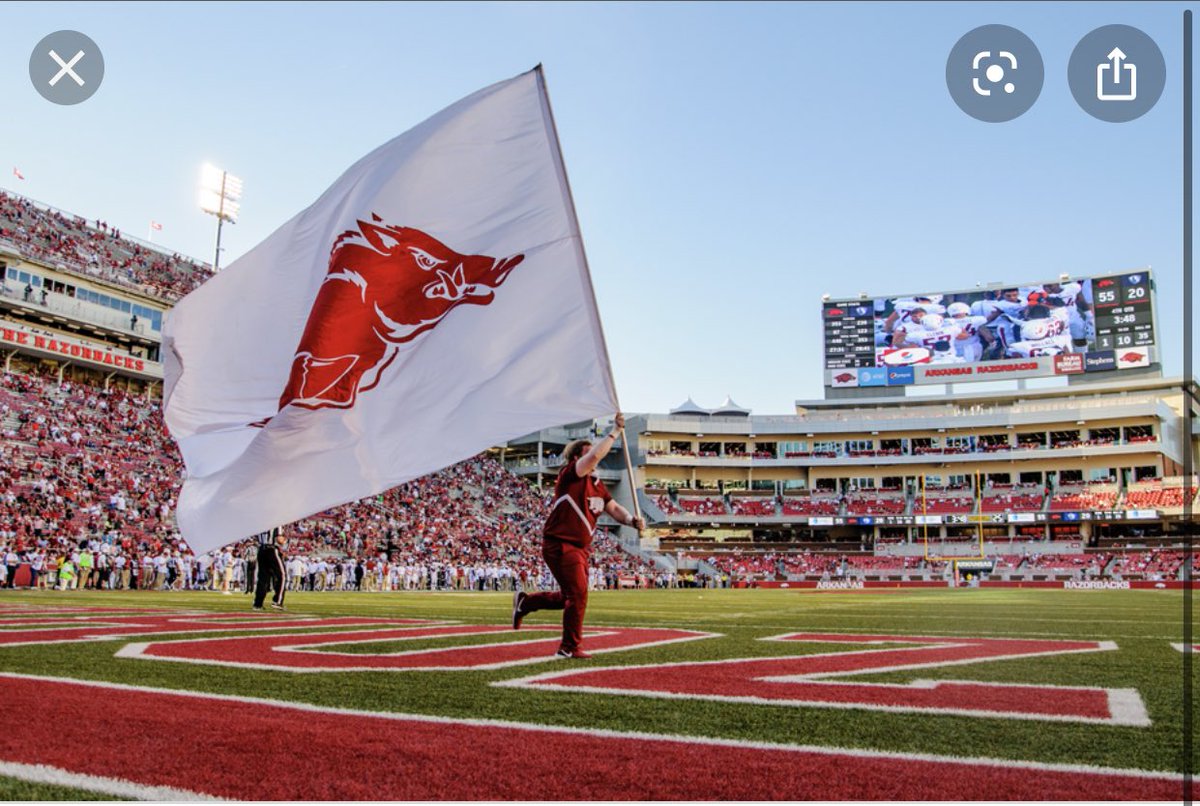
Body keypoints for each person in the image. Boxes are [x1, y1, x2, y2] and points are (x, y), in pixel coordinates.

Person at [512, 413, 644, 659]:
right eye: (587, 452)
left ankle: (525, 603)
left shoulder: (597, 485)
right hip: (561, 543)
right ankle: (568, 647)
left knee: (568, 597)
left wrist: (631, 520)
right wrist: (614, 432)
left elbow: (614, 508)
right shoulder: (570, 474)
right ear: (576, 458)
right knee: (579, 594)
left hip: (581, 548)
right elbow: (594, 456)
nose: (595, 454)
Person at [252, 529, 287, 611]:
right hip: (271, 549)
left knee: (262, 578)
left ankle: (258, 604)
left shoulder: (261, 524)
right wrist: (285, 540)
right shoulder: (276, 522)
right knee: (282, 576)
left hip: (261, 550)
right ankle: (277, 601)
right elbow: (280, 540)